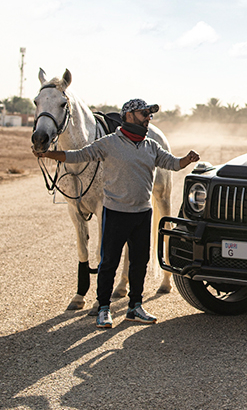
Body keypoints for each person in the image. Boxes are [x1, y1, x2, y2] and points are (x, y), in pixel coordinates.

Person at [34, 98, 200, 329]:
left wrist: (187, 160)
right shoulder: (109, 143)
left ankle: (135, 306)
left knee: (139, 262)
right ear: (129, 116)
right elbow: (77, 156)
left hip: (143, 214)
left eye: (149, 115)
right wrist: (48, 155)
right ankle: (103, 308)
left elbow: (172, 163)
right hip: (116, 214)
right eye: (144, 115)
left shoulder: (151, 145)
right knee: (109, 262)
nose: (148, 119)